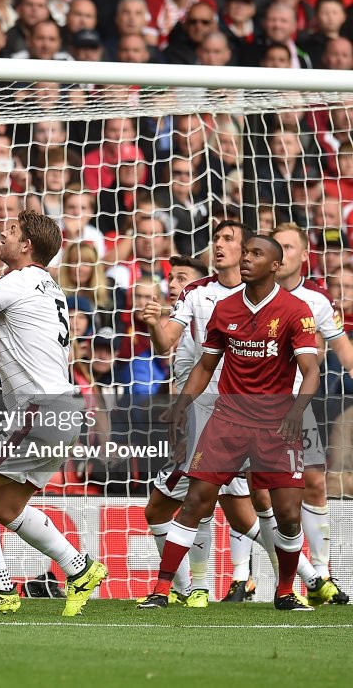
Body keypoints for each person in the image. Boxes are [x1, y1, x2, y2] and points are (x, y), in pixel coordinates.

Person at [138, 236, 320, 612]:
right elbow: (206, 365)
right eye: (247, 252)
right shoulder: (224, 308)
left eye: (257, 254)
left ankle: (285, 590)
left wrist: (296, 410)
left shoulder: (295, 310)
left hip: (277, 424)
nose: (248, 259)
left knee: (286, 515)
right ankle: (161, 589)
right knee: (195, 502)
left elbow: (311, 371)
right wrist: (182, 405)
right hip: (228, 420)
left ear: (275, 265)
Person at [0, 210, 107, 617]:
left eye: (12, 230)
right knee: (6, 506)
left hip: (40, 410)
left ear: (27, 246)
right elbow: (3, 353)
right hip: (63, 411)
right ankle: (80, 568)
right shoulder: (47, 287)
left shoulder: (16, 281)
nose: (3, 233)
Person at [270, 223, 351, 603]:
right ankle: (236, 577)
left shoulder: (317, 299)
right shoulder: (248, 290)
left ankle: (321, 574)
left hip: (296, 409)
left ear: (304, 255)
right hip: (247, 407)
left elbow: (342, 350)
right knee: (247, 498)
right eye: (277, 246)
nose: (281, 254)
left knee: (314, 484)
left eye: (288, 247)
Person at [140, 254, 210, 605]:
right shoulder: (180, 325)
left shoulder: (211, 316)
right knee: (243, 512)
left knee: (248, 509)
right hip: (195, 424)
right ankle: (192, 588)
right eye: (171, 278)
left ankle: (193, 587)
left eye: (181, 278)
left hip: (215, 425)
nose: (172, 285)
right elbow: (163, 343)